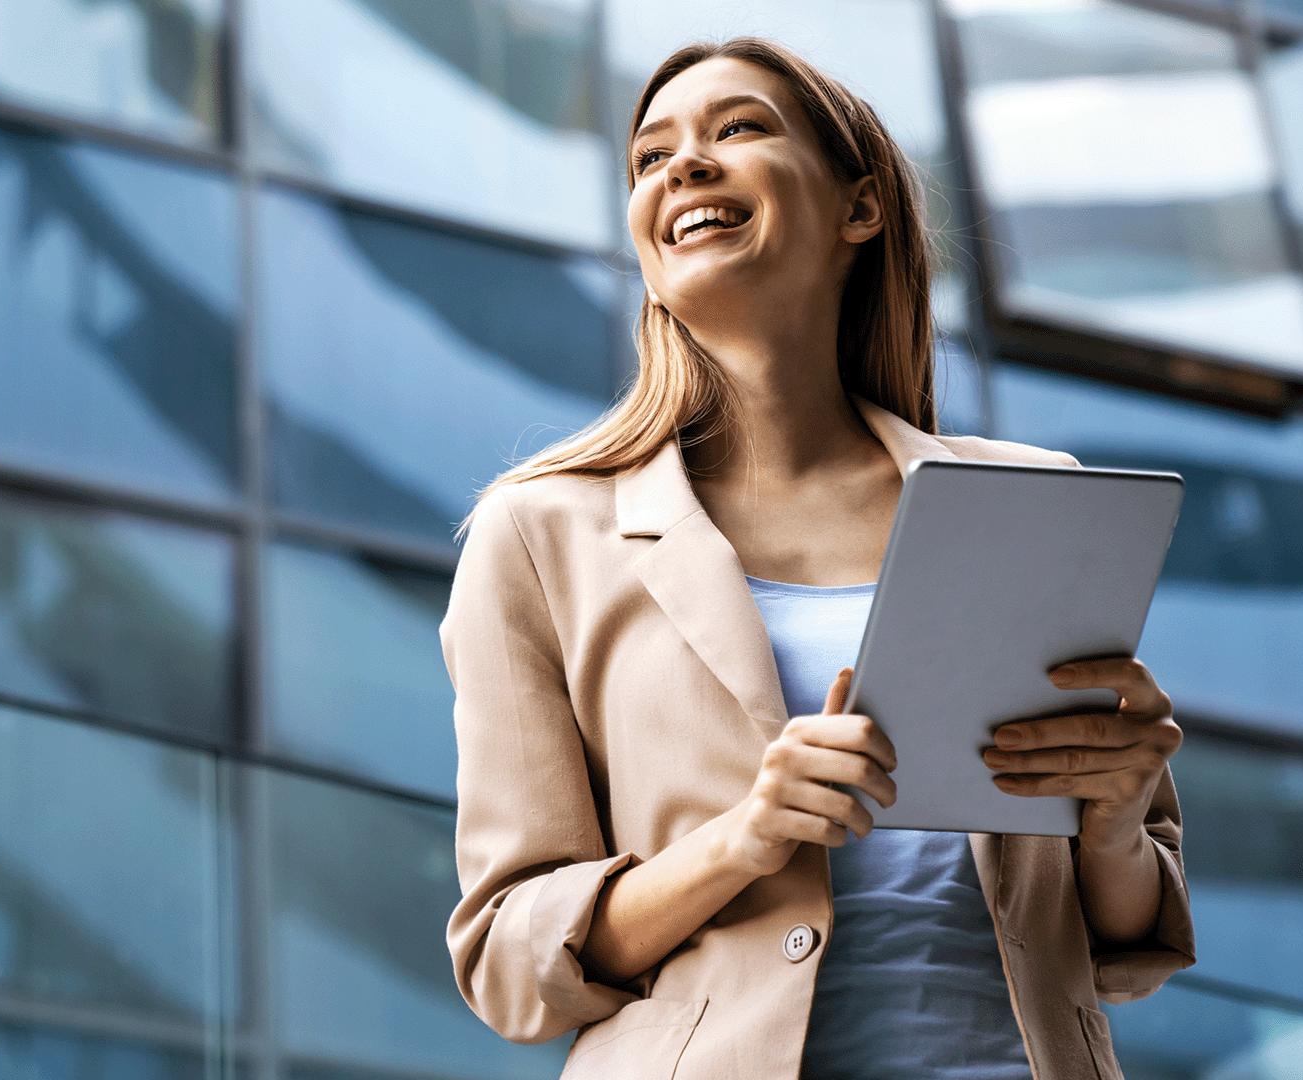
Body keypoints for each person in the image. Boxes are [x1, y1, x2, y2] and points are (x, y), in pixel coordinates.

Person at [442, 37, 1195, 1080]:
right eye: (650, 158)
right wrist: (743, 839)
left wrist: (1113, 819)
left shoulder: (1029, 497)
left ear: (860, 208)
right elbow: (509, 961)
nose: (683, 167)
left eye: (737, 129)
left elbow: (1127, 942)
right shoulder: (540, 535)